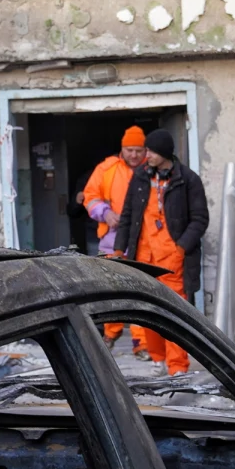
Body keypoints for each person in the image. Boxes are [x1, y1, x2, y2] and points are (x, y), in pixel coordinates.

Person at [114, 128, 209, 376]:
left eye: (151, 151)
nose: (147, 155)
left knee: (174, 315)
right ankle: (158, 360)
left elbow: (199, 220)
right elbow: (127, 215)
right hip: (143, 258)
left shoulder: (188, 179)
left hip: (174, 261)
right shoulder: (140, 177)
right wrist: (118, 249)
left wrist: (180, 248)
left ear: (165, 153)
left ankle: (177, 368)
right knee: (148, 312)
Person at [84, 126, 149, 355]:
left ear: (145, 150)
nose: (134, 155)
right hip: (111, 241)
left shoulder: (152, 170)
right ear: (122, 149)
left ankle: (141, 342)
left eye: (139, 150)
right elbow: (90, 197)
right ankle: (111, 333)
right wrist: (105, 213)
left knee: (141, 292)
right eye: (130, 150)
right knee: (112, 290)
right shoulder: (107, 168)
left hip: (143, 242)